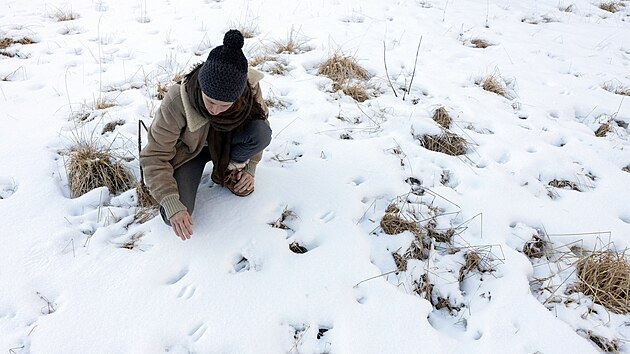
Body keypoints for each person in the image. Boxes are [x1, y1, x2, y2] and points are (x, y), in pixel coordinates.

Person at [140, 30, 272, 241]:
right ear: (201, 85)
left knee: (260, 132)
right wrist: (170, 201)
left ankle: (229, 170)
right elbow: (154, 155)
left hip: (228, 145)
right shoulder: (177, 101)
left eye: (225, 105)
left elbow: (261, 126)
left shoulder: (249, 90)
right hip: (189, 153)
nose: (215, 110)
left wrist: (249, 168)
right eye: (210, 101)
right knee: (175, 212)